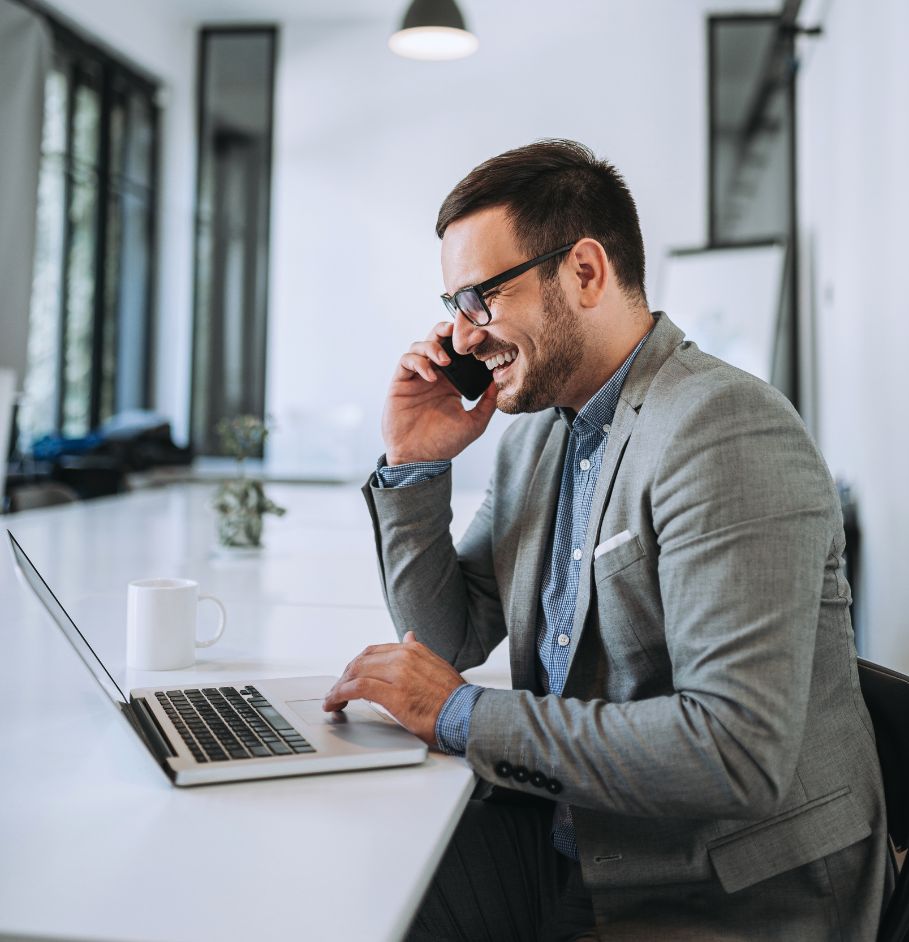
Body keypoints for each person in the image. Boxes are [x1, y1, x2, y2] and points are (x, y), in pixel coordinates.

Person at [323, 139, 892, 940]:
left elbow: (733, 750)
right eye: (451, 303)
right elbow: (447, 636)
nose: (459, 335)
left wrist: (457, 715)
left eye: (479, 297)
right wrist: (414, 464)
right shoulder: (540, 434)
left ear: (584, 272)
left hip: (722, 894)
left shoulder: (722, 429)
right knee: (348, 897)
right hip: (578, 840)